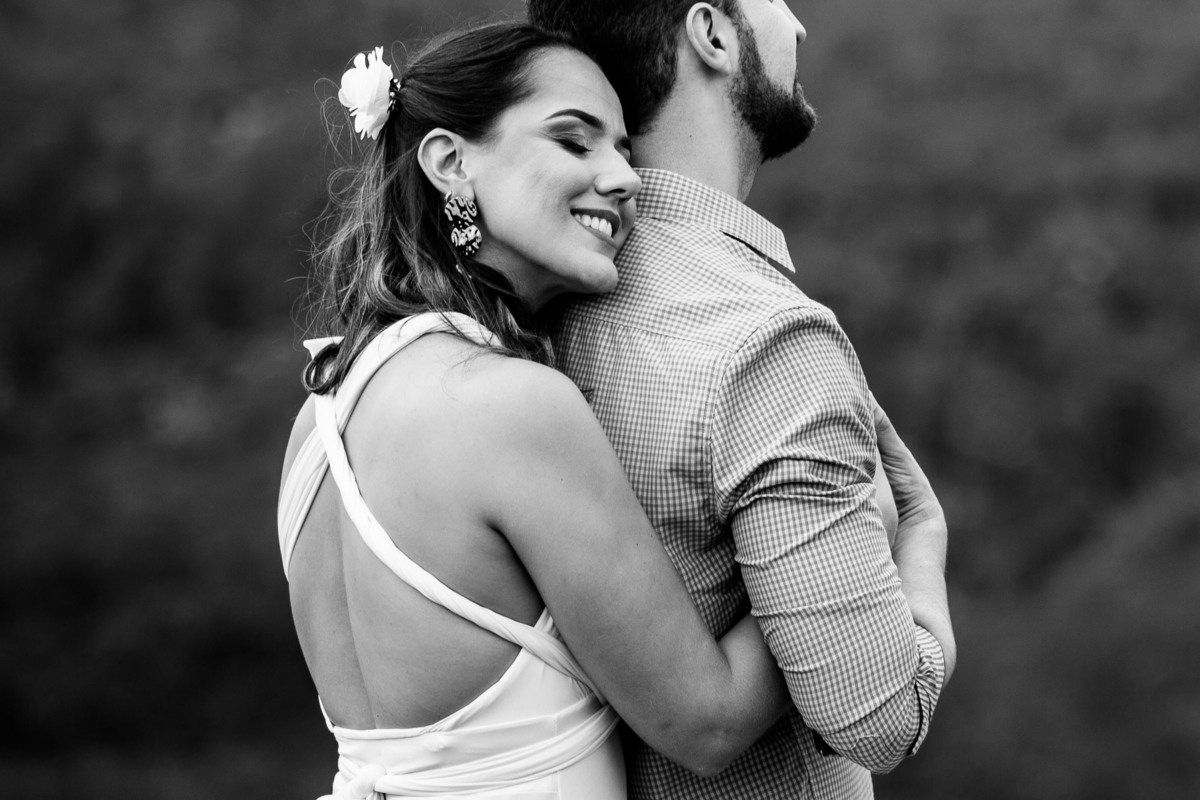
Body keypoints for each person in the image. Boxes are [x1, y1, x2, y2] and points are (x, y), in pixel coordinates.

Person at [278, 22, 806, 800]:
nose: (623, 178)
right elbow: (708, 724)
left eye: (624, 150)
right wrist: (858, 533)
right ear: (451, 163)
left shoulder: (322, 412)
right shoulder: (511, 406)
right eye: (574, 141)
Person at [526, 1, 957, 798]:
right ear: (713, 34)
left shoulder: (518, 304)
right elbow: (881, 720)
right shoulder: (766, 343)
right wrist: (921, 542)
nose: (799, 26)